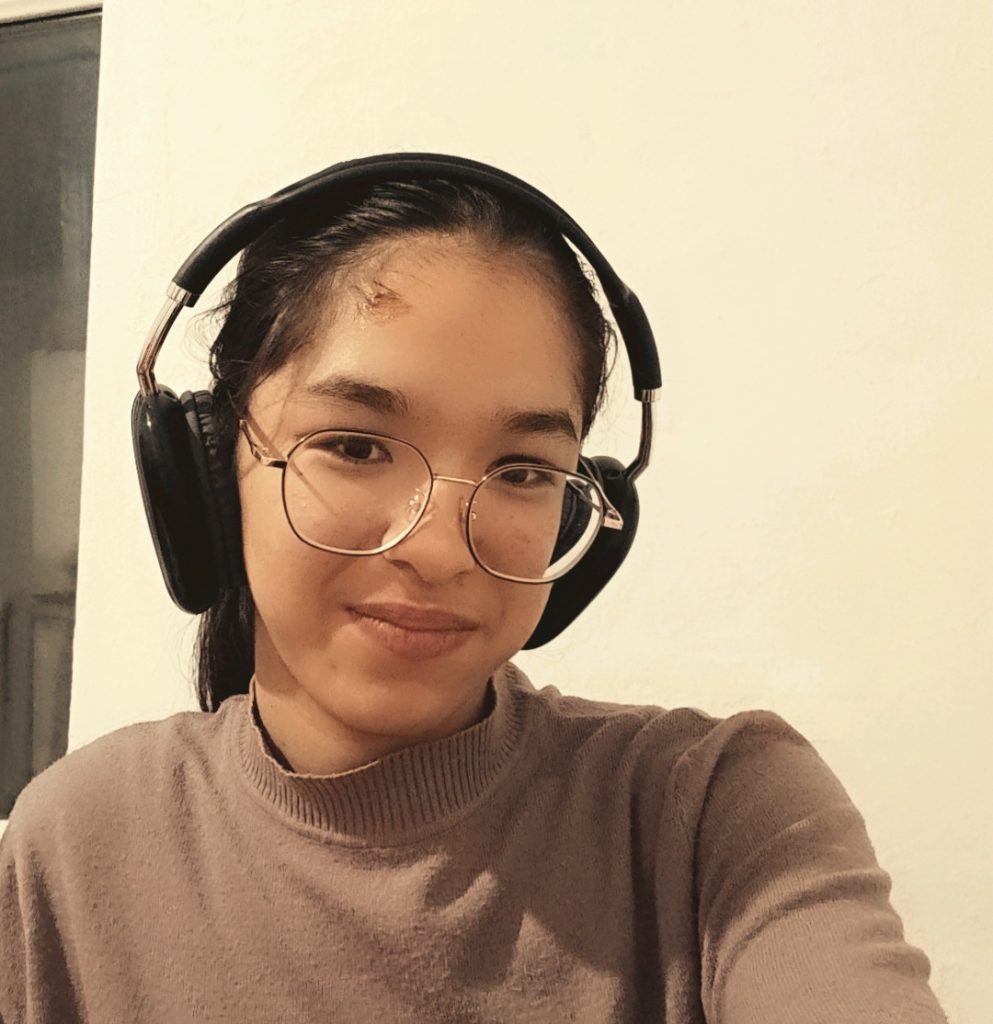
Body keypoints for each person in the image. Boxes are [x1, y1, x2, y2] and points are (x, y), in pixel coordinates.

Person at [0, 158, 948, 1022]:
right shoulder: (77, 845)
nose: (440, 551)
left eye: (523, 470)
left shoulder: (712, 811)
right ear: (207, 474)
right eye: (355, 446)